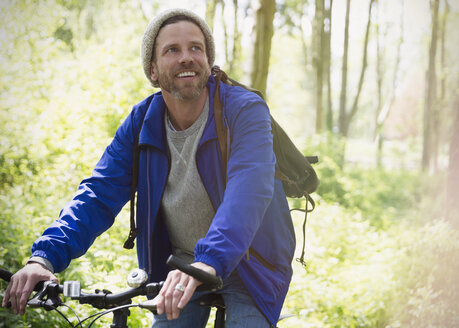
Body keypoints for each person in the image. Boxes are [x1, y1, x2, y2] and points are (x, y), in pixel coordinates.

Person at [2, 8, 295, 327]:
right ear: (153, 71)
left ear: (208, 62)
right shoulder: (142, 123)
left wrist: (209, 261)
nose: (186, 57)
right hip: (180, 267)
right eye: (172, 50)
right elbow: (98, 194)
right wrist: (43, 257)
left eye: (196, 48)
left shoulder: (244, 111)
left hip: (253, 263)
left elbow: (248, 193)